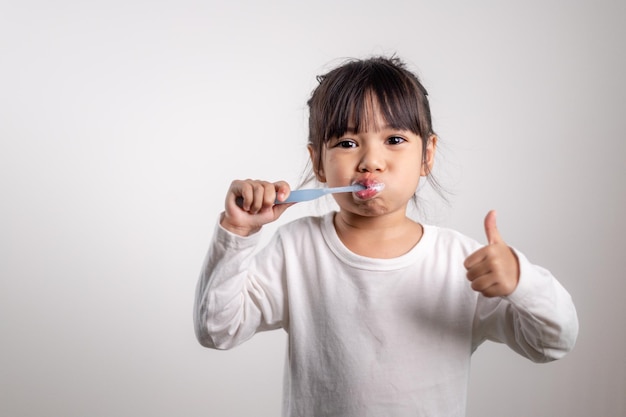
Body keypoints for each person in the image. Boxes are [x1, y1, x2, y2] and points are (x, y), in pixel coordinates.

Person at [194, 56, 578, 417]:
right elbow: (217, 330)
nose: (370, 162)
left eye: (394, 140)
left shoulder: (461, 263)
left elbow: (552, 342)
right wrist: (238, 233)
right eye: (346, 143)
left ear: (427, 155)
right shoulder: (296, 249)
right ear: (318, 163)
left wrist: (520, 281)